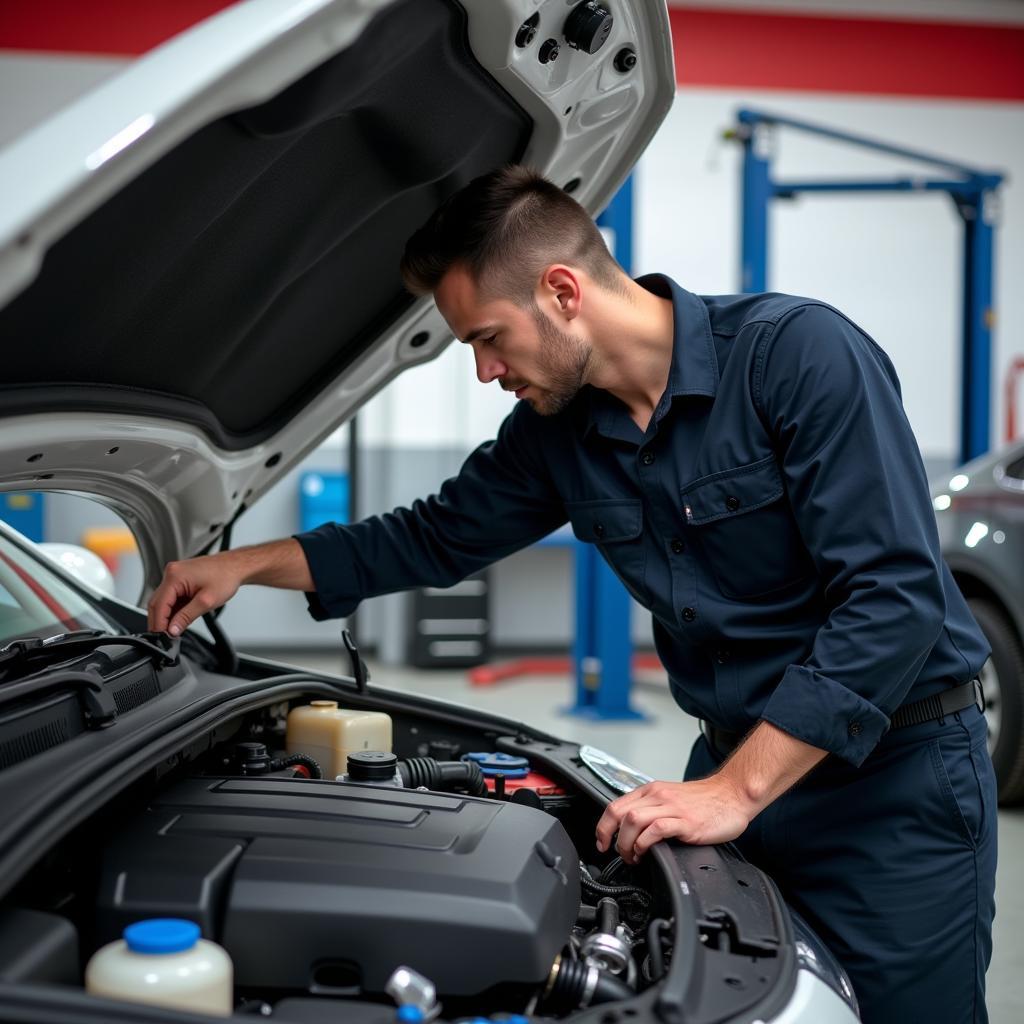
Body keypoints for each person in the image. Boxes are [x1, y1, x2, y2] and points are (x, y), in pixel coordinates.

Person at [148, 166, 996, 1023]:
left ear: (560, 291)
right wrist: (244, 564)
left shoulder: (797, 356)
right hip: (737, 763)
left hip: (893, 785)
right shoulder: (559, 435)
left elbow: (894, 599)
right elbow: (430, 536)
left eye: (488, 338)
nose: (485, 372)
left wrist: (734, 794)